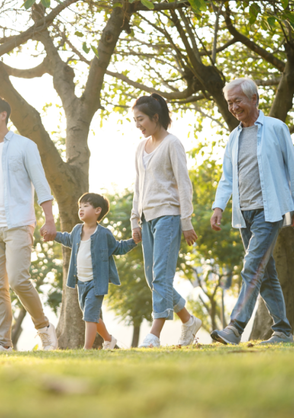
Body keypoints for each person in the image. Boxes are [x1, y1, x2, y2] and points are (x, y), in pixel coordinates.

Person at [210, 78, 294, 345]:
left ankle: (234, 328)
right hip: (244, 214)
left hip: (269, 211)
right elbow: (227, 177)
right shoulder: (234, 137)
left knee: (252, 267)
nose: (233, 107)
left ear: (254, 99)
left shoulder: (276, 128)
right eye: (230, 102)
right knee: (265, 274)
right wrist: (219, 206)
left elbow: (292, 169)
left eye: (237, 100)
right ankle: (283, 331)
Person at [0, 95, 59, 354]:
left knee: (19, 280)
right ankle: (3, 342)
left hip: (19, 223)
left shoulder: (24, 145)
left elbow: (41, 183)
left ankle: (44, 329)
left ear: (3, 115)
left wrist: (49, 218)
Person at [130, 93, 203, 348]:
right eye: (135, 120)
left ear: (155, 117)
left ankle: (154, 334)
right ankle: (188, 320)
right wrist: (134, 220)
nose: (138, 124)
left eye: (141, 119)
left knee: (161, 276)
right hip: (147, 217)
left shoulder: (173, 144)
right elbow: (139, 186)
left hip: (169, 216)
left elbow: (184, 184)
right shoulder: (141, 148)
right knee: (153, 279)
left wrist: (186, 221)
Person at [48, 193, 138, 350]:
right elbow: (67, 239)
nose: (81, 209)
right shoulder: (77, 230)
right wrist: (53, 235)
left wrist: (134, 241)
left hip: (97, 282)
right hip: (80, 282)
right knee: (93, 315)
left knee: (89, 315)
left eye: (85, 206)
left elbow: (118, 248)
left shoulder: (104, 234)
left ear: (97, 211)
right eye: (80, 206)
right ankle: (109, 340)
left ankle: (87, 349)